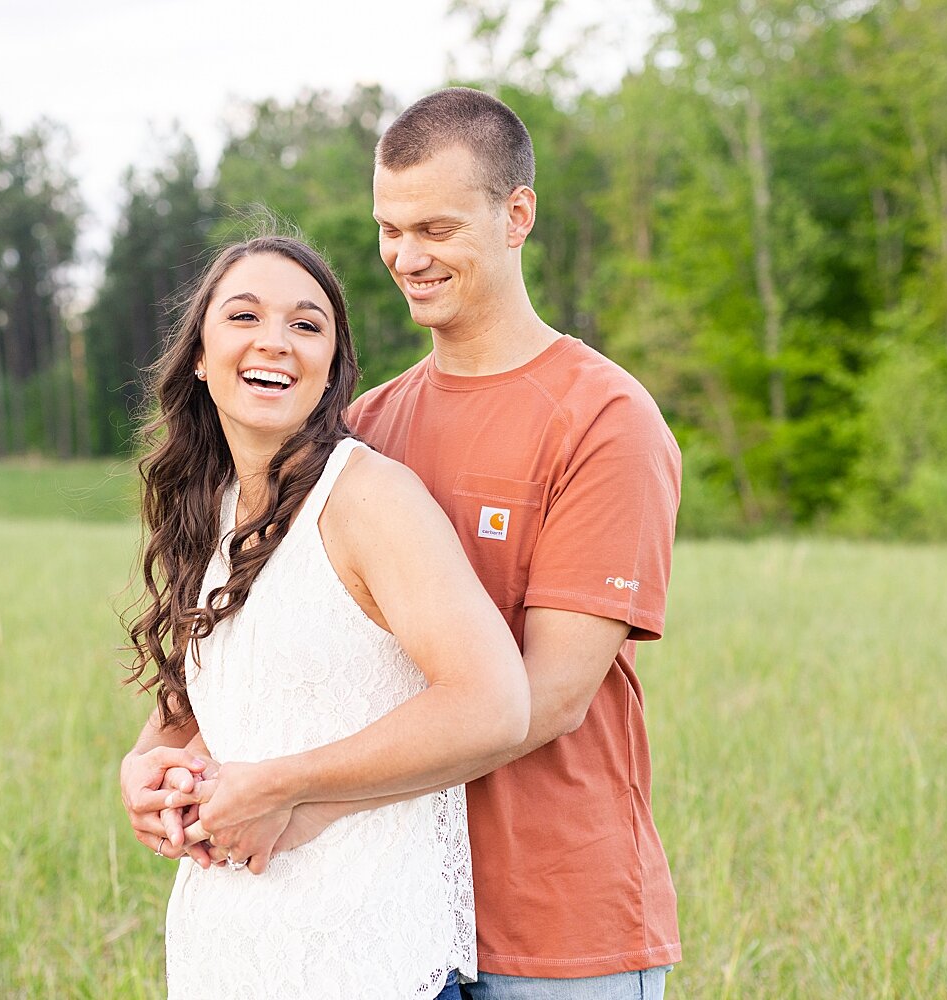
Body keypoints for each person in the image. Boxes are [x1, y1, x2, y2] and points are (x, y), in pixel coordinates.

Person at [138, 88, 684, 998]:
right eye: (390, 229)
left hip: (551, 925)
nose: (407, 257)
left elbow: (541, 700)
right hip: (391, 916)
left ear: (518, 216)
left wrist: (301, 799)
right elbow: (264, 642)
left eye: (434, 227)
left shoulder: (605, 419)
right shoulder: (366, 426)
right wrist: (159, 754)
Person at [117, 234, 530, 999]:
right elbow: (210, 697)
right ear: (201, 354)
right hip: (231, 951)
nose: (274, 340)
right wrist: (145, 771)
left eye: (307, 325)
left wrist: (285, 786)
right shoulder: (211, 509)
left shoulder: (370, 499)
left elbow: (496, 703)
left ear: (333, 371)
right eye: (243, 316)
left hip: (365, 958)